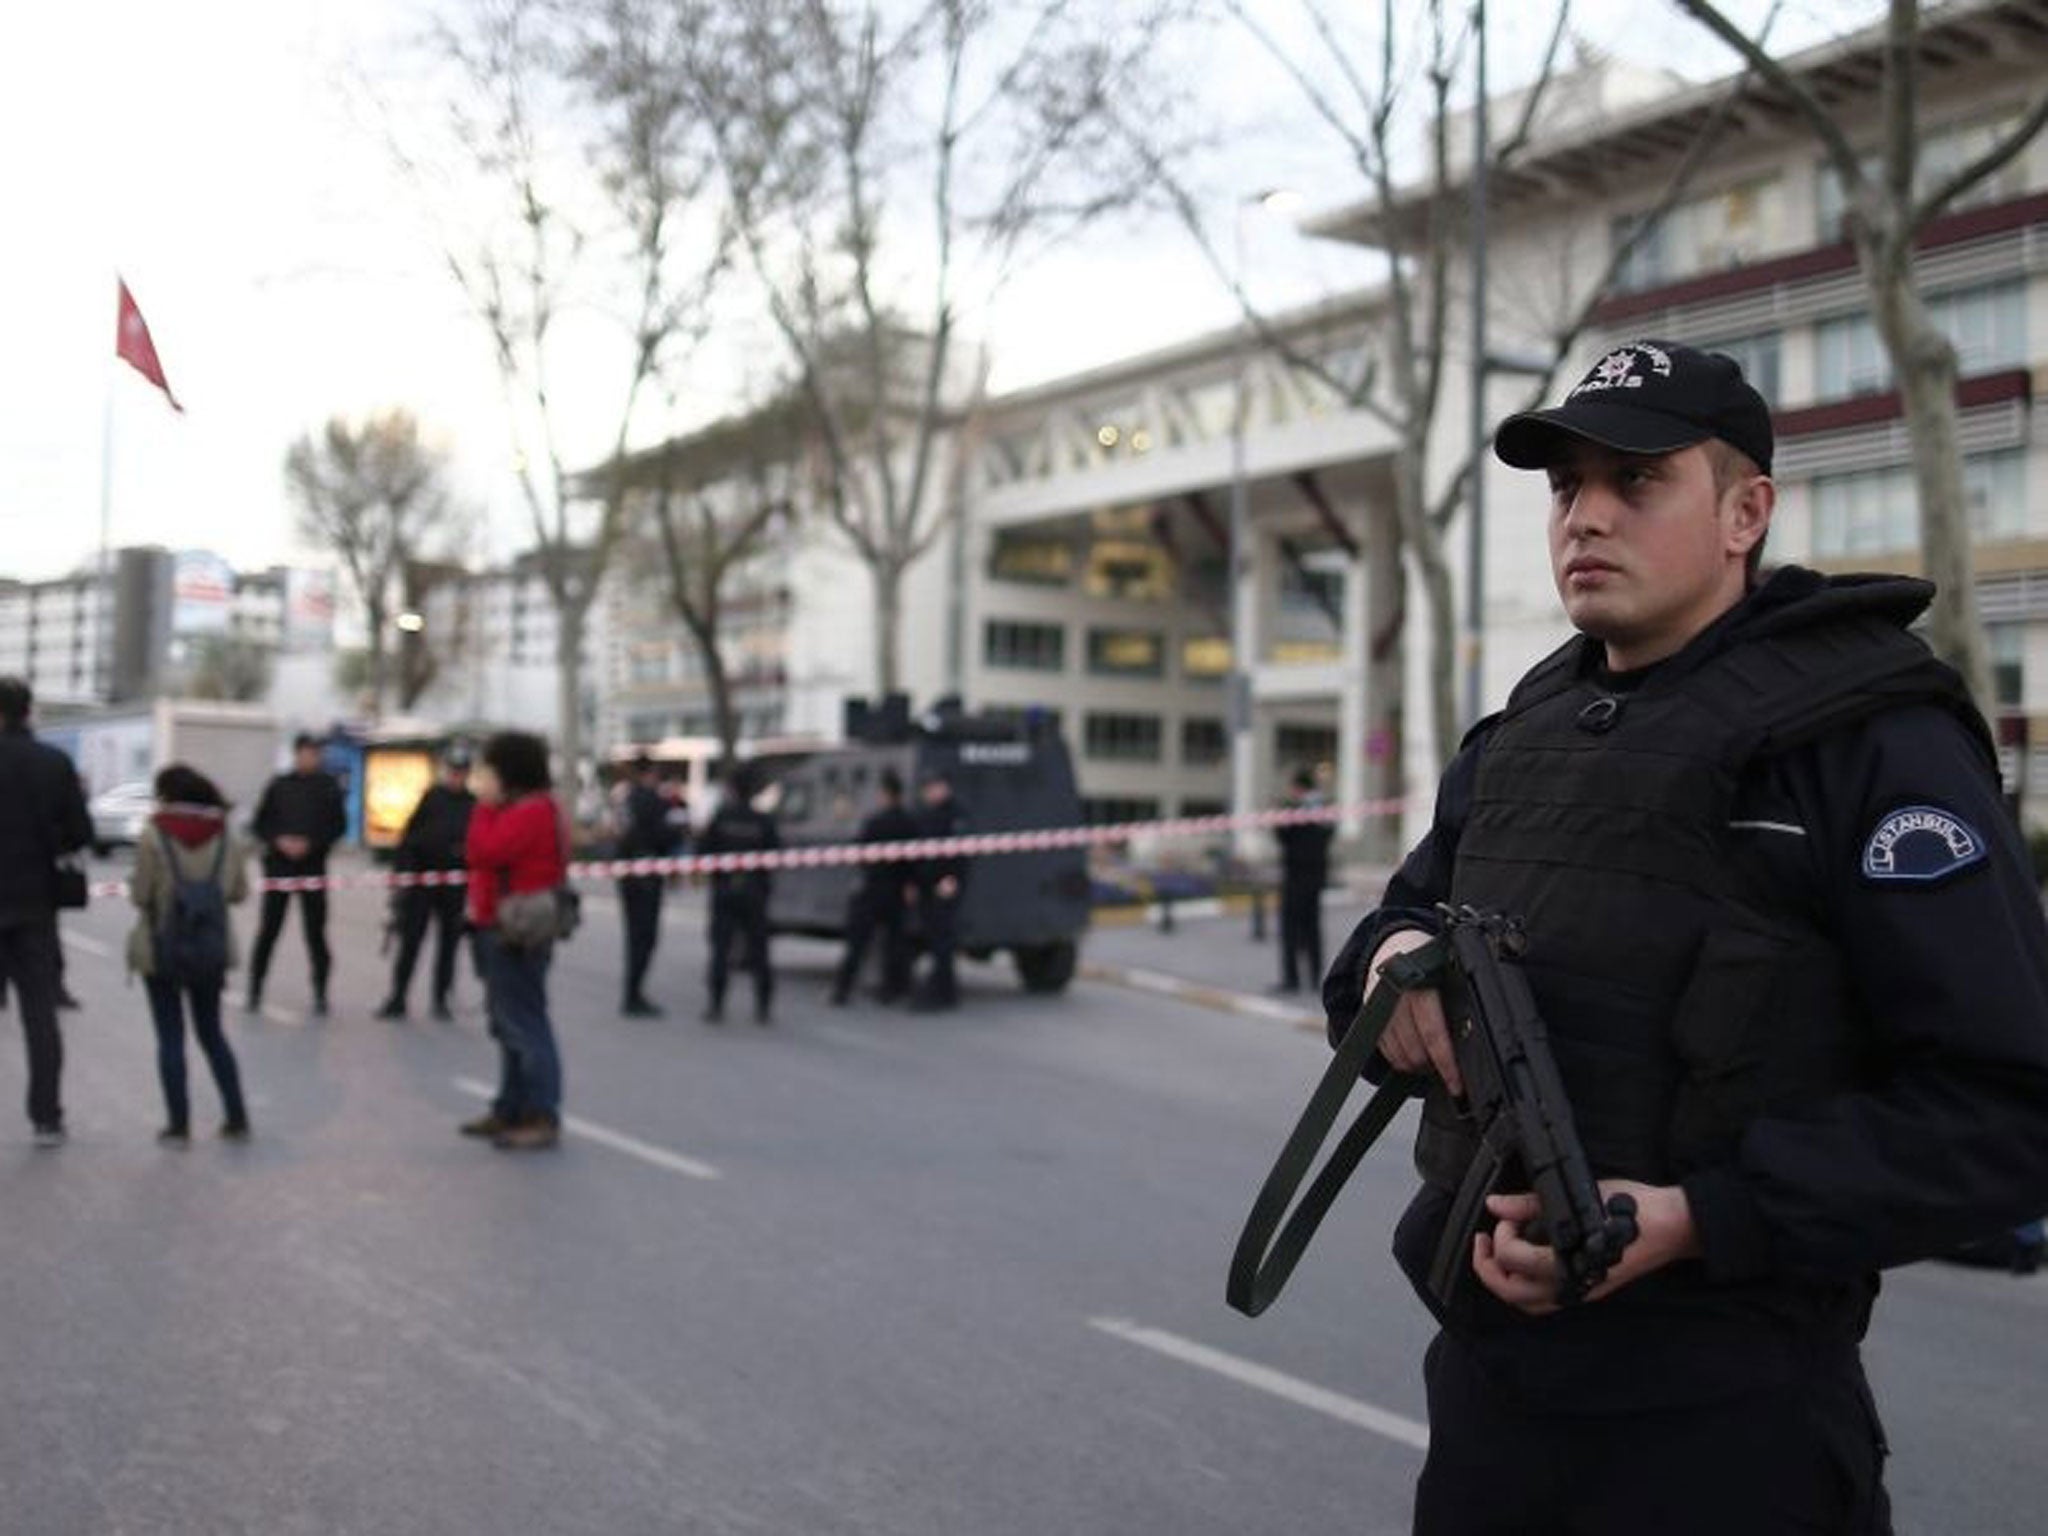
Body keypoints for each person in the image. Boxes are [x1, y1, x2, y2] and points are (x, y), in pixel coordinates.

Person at [1321, 340, 2048, 1535]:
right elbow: (1385, 941)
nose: (1584, 518)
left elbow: (2006, 1109)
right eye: (1566, 488)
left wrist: (1698, 1219)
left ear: (1742, 512)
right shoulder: (1525, 734)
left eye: (1636, 481)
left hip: (1723, 1433)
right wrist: (1396, 964)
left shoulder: (1866, 740)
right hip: (1489, 1415)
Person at [125, 765, 251, 1142]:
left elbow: (139, 895)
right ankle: (236, 1116)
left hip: (161, 947)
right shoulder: (227, 836)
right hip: (210, 950)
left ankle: (178, 1124)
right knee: (212, 1033)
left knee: (170, 1037)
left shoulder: (153, 835)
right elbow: (239, 893)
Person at [461, 731, 568, 1151]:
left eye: (488, 772)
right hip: (499, 926)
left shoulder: (531, 812)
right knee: (507, 1024)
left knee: (524, 1023)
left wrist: (484, 809)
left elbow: (483, 851)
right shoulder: (526, 809)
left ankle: (542, 1112)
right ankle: (510, 1106)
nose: (481, 781)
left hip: (515, 932)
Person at [0, 677, 91, 1146]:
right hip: (35, 907)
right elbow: (81, 832)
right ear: (28, 711)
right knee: (40, 1015)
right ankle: (46, 1117)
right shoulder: (54, 764)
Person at [247, 732, 347, 1016]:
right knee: (269, 930)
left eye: (315, 753)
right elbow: (261, 824)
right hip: (279, 868)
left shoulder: (328, 787)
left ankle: (320, 991)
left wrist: (311, 844)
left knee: (315, 933)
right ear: (297, 754)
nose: (309, 758)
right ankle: (256, 988)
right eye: (305, 752)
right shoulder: (279, 785)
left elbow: (338, 826)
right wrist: (279, 840)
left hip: (312, 868)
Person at [377, 744, 476, 1022]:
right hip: (422, 882)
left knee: (449, 946)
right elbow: (410, 838)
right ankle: (398, 997)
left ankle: (441, 999)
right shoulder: (432, 798)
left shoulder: (473, 804)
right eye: (453, 771)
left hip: (454, 885)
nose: (457, 777)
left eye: (461, 772)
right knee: (411, 942)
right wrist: (403, 874)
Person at [697, 765, 779, 1024]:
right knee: (759, 951)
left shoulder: (722, 817)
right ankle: (763, 1007)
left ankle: (716, 1005)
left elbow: (704, 851)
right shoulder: (763, 820)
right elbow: (775, 855)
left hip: (725, 890)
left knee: (721, 949)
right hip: (754, 892)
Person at [830, 767, 918, 1006]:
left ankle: (842, 991)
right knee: (894, 945)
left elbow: (860, 853)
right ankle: (892, 991)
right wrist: (910, 885)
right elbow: (914, 861)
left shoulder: (875, 822)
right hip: (897, 890)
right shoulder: (909, 823)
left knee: (857, 944)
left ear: (885, 795)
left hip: (871, 889)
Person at [612, 754, 681, 1017]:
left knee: (634, 937)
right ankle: (633, 994)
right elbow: (666, 834)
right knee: (645, 937)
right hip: (646, 877)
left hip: (629, 874)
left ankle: (633, 992)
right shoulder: (652, 800)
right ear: (650, 772)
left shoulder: (627, 798)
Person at [1271, 766, 1334, 994]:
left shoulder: (1294, 811)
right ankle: (1315, 977)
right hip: (1316, 876)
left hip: (1295, 876)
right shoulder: (1324, 810)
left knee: (1290, 929)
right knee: (1312, 928)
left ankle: (1292, 978)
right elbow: (1329, 835)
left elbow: (1282, 838)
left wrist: (1280, 818)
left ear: (1297, 788)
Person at [909, 770, 968, 1012]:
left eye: (933, 788)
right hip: (926, 887)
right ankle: (945, 990)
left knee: (942, 942)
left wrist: (951, 879)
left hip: (944, 887)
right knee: (936, 941)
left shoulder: (955, 815)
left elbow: (961, 853)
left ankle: (942, 992)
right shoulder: (929, 815)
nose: (929, 793)